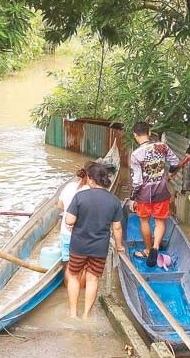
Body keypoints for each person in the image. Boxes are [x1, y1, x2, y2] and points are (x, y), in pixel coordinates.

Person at [64, 163, 124, 319]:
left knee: (74, 276)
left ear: (90, 179)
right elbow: (117, 228)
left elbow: (70, 221)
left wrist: (69, 223)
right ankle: (86, 315)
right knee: (92, 279)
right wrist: (119, 247)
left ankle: (72, 314)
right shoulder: (114, 201)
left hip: (79, 246)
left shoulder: (80, 197)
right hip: (99, 248)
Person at [128, 121, 180, 267]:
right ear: (149, 132)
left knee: (144, 221)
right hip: (162, 192)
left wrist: (132, 198)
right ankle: (156, 247)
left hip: (144, 195)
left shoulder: (136, 155)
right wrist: (169, 174)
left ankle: (148, 249)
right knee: (160, 221)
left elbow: (137, 182)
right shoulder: (162, 147)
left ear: (135, 135)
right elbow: (175, 162)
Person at [57, 167, 89, 264]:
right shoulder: (89, 191)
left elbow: (59, 205)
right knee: (80, 264)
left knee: (66, 261)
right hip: (81, 235)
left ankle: (67, 276)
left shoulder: (69, 186)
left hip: (65, 233)